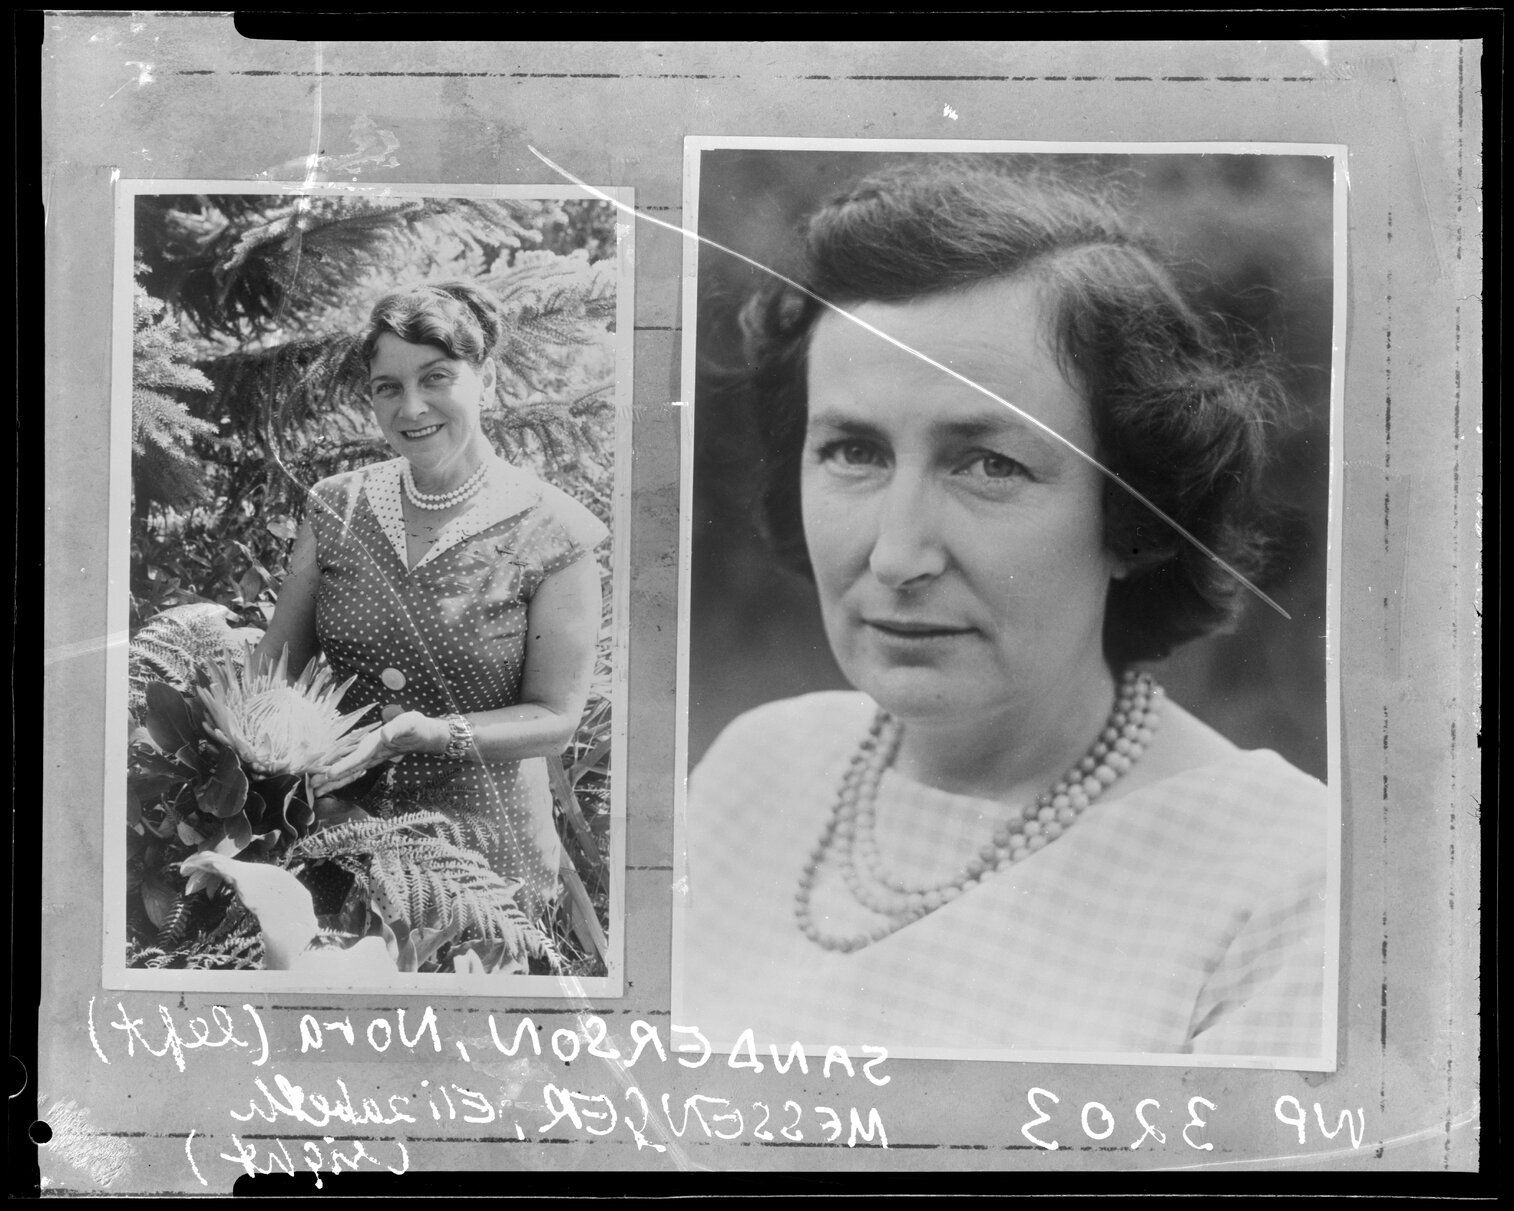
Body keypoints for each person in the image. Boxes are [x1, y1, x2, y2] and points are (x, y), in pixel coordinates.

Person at [681, 160, 1331, 1058]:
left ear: (1135, 513)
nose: (897, 554)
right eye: (853, 450)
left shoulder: (1282, 877)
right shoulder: (757, 771)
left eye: (989, 464)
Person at [256, 281, 606, 923]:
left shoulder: (554, 532)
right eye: (388, 386)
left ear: (487, 378)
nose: (411, 407)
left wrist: (431, 735)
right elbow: (275, 667)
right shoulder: (337, 505)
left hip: (482, 872)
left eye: (436, 378)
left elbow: (556, 718)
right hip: (334, 844)